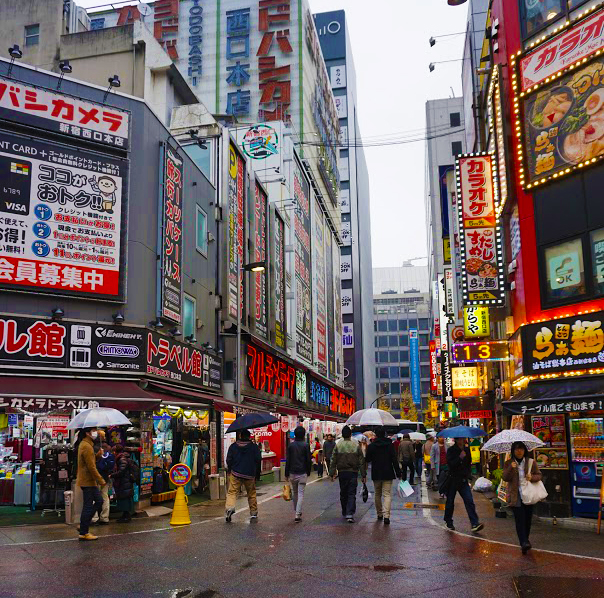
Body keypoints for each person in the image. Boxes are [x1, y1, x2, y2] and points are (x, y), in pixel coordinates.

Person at [502, 441, 542, 554]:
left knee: (527, 519)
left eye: (521, 449)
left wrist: (532, 477)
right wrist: (510, 467)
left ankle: (525, 540)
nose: (519, 451)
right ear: (513, 451)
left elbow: (539, 475)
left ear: (524, 450)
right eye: (516, 449)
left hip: (528, 494)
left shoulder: (530, 462)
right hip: (516, 495)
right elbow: (505, 477)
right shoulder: (508, 463)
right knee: (519, 519)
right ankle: (523, 542)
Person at [443, 437, 484, 533]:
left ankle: (474, 523)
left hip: (463, 480)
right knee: (450, 501)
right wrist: (459, 458)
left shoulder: (467, 449)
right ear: (456, 440)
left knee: (469, 500)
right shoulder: (451, 450)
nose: (461, 441)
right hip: (453, 480)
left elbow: (469, 463)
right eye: (459, 439)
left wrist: (468, 474)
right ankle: (448, 521)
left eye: (462, 439)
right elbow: (451, 464)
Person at [365, 426, 401, 525]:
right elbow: (394, 460)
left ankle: (379, 514)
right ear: (384, 434)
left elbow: (367, 459)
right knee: (387, 494)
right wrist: (398, 473)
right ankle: (387, 516)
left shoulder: (372, 446)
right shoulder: (390, 445)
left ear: (376, 434)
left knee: (377, 493)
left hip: (376, 472)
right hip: (388, 472)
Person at [330, 426, 366, 523]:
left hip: (342, 472)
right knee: (351, 493)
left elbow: (333, 459)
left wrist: (331, 473)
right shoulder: (355, 445)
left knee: (343, 492)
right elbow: (361, 460)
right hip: (353, 472)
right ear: (350, 434)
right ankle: (350, 513)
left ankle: (344, 511)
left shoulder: (338, 445)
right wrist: (363, 474)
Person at [225, 429, 262, 522]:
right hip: (249, 474)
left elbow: (229, 459)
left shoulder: (233, 446)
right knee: (251, 493)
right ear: (249, 437)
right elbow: (258, 460)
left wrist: (230, 469)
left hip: (235, 473)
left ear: (240, 436)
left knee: (232, 492)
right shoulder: (254, 447)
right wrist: (257, 473)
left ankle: (230, 508)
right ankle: (253, 512)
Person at [76, 428, 106, 541]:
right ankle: (83, 531)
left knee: (98, 501)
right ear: (88, 433)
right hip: (87, 481)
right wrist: (101, 480)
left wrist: (97, 455)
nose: (96, 433)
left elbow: (90, 461)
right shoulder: (86, 446)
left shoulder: (86, 444)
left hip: (87, 480)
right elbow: (91, 467)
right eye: (94, 431)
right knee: (90, 505)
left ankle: (83, 525)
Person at [285, 426, 312, 522]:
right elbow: (308, 460)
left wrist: (286, 473)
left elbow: (288, 460)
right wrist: (308, 471)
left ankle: (296, 511)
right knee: (300, 494)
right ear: (303, 434)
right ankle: (297, 514)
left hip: (292, 472)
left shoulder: (291, 445)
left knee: (295, 493)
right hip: (302, 472)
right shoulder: (305, 445)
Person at [91, 431, 114, 525]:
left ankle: (94, 517)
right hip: (106, 477)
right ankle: (104, 517)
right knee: (105, 497)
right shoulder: (109, 450)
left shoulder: (94, 449)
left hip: (96, 477)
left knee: (94, 497)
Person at [110, 445, 137, 523]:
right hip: (125, 482)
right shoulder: (122, 458)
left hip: (124, 482)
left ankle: (126, 516)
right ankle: (125, 515)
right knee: (124, 498)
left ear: (115, 452)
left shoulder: (122, 459)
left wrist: (112, 475)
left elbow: (122, 471)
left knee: (124, 499)